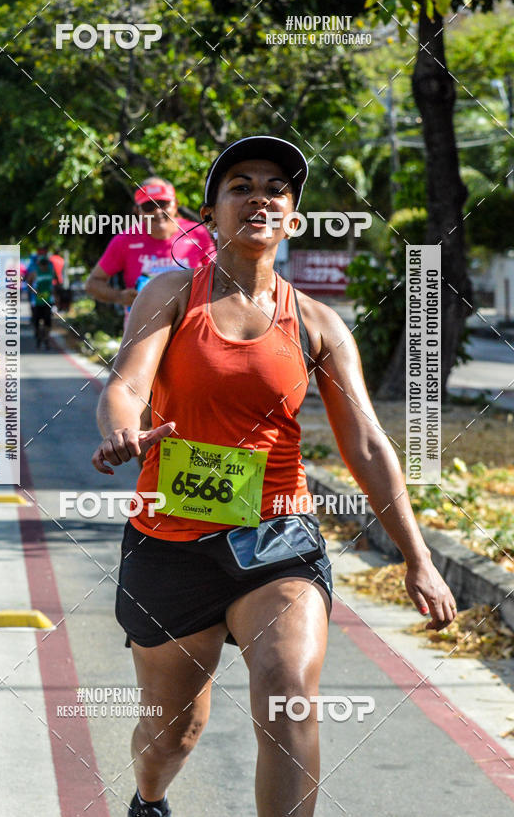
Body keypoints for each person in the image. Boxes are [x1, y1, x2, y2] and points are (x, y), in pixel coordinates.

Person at [91, 136, 457, 817]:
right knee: (173, 735)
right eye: (240, 185)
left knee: (289, 695)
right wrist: (121, 427)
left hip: (277, 539)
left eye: (276, 189)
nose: (259, 196)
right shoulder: (172, 294)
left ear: (291, 218)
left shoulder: (319, 324)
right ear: (209, 212)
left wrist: (418, 556)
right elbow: (125, 384)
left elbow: (370, 447)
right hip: (170, 543)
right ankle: (149, 801)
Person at [85, 177, 216, 328]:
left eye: (163, 204)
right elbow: (93, 283)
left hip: (191, 326)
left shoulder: (197, 234)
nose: (158, 211)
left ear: (175, 205)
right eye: (149, 206)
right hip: (142, 328)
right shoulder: (125, 240)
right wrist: (120, 296)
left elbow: (217, 273)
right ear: (138, 212)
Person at [28, 255, 54, 349]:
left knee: (48, 322)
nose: (43, 266)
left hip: (48, 301)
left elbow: (56, 284)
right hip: (37, 302)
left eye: (45, 264)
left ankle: (46, 339)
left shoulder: (51, 273)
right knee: (36, 322)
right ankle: (39, 338)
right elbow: (29, 283)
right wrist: (33, 291)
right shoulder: (35, 273)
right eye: (41, 264)